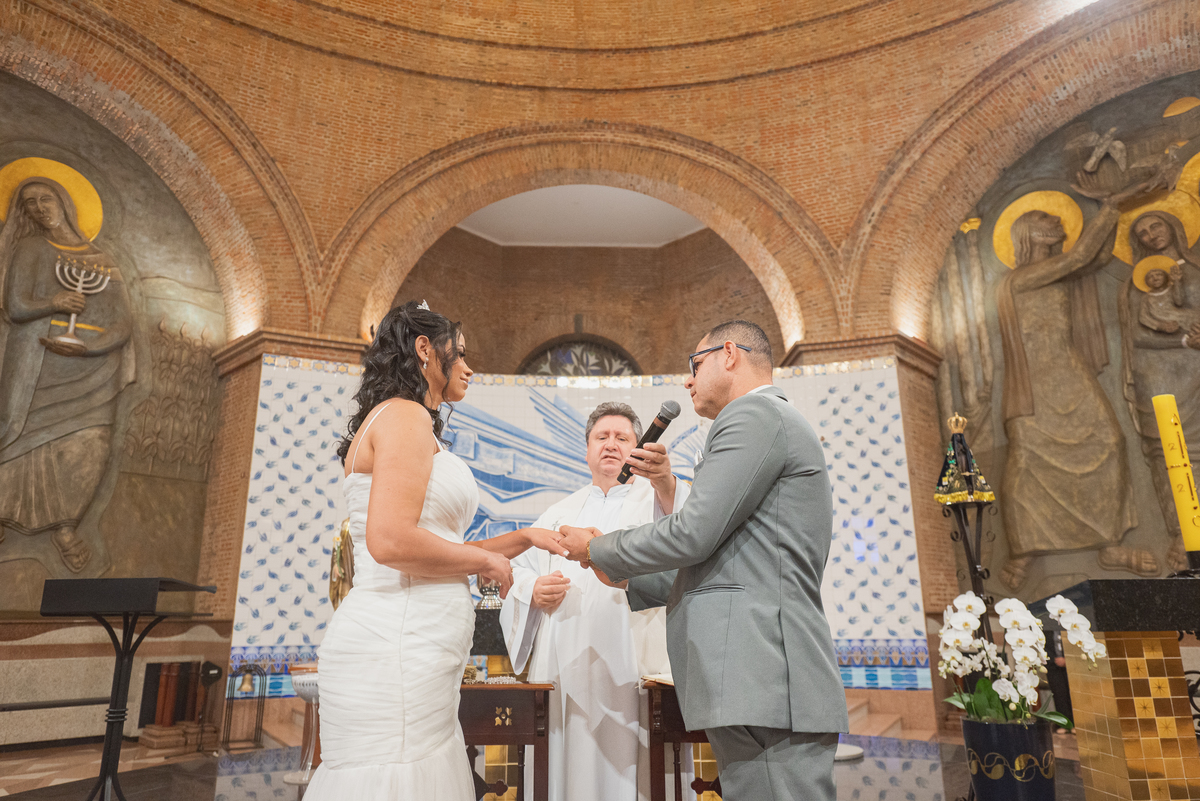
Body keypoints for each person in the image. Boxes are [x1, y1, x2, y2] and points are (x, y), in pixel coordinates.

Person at [557, 319, 848, 801]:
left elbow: (694, 533)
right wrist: (629, 580)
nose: (688, 380)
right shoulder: (764, 420)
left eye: (695, 365)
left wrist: (599, 547)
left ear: (729, 354)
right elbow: (736, 558)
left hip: (764, 673)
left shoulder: (753, 415)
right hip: (759, 674)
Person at [304, 301, 565, 800]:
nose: (469, 367)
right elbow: (391, 541)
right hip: (396, 640)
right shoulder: (404, 416)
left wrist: (525, 539)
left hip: (415, 641)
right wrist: (486, 561)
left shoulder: (408, 420)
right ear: (425, 350)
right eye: (460, 353)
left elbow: (438, 549)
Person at [500, 401, 691, 801]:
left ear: (639, 448)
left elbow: (692, 539)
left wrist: (666, 482)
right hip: (568, 667)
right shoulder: (558, 513)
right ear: (586, 449)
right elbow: (515, 572)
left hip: (636, 663)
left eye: (623, 438)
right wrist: (530, 591)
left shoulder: (658, 497)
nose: (611, 444)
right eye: (601, 437)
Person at [994, 180, 1162, 590]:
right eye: (1043, 218)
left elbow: (1096, 256)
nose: (1054, 220)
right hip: (1035, 385)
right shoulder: (1022, 278)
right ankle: (1023, 551)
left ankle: (1109, 544)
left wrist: (1114, 208)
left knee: (1110, 443)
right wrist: (1112, 203)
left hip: (1069, 372)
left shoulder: (1060, 271)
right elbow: (1083, 255)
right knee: (1029, 462)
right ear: (1027, 235)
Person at [0, 176, 134, 573]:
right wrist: (54, 302)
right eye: (29, 204)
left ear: (64, 202)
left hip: (92, 373)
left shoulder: (102, 260)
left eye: (46, 199)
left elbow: (122, 322)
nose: (40, 208)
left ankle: (66, 526)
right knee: (21, 437)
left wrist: (89, 346)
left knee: (91, 444)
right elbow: (17, 306)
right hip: (38, 368)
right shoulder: (30, 248)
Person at [1117, 210, 1200, 572]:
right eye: (1143, 233)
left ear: (1175, 225)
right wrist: (1184, 342)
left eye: (1156, 226)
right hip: (1163, 375)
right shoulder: (1137, 287)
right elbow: (1135, 336)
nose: (1151, 235)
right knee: (1170, 452)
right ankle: (1185, 533)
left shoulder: (1193, 268)